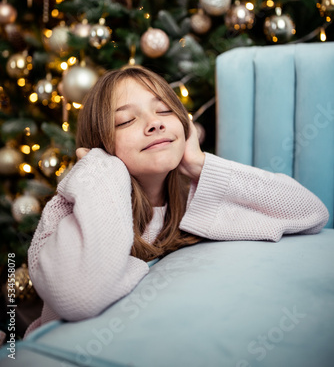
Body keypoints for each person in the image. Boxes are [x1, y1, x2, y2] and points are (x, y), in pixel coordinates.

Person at [24, 65, 329, 338]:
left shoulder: (195, 197)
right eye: (126, 120)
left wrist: (198, 163)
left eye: (165, 111)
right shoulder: (70, 209)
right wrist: (103, 169)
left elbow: (310, 212)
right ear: (99, 146)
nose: (154, 123)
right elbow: (79, 295)